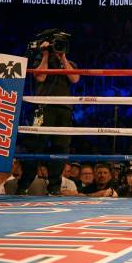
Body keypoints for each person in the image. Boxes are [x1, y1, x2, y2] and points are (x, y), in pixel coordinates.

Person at [18, 30, 79, 195]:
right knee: (35, 145)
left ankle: (54, 188)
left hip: (64, 109)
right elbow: (40, 77)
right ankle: (24, 185)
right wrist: (45, 55)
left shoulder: (69, 62)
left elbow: (75, 79)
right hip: (43, 108)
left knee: (61, 147)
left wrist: (63, 57)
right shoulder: (40, 60)